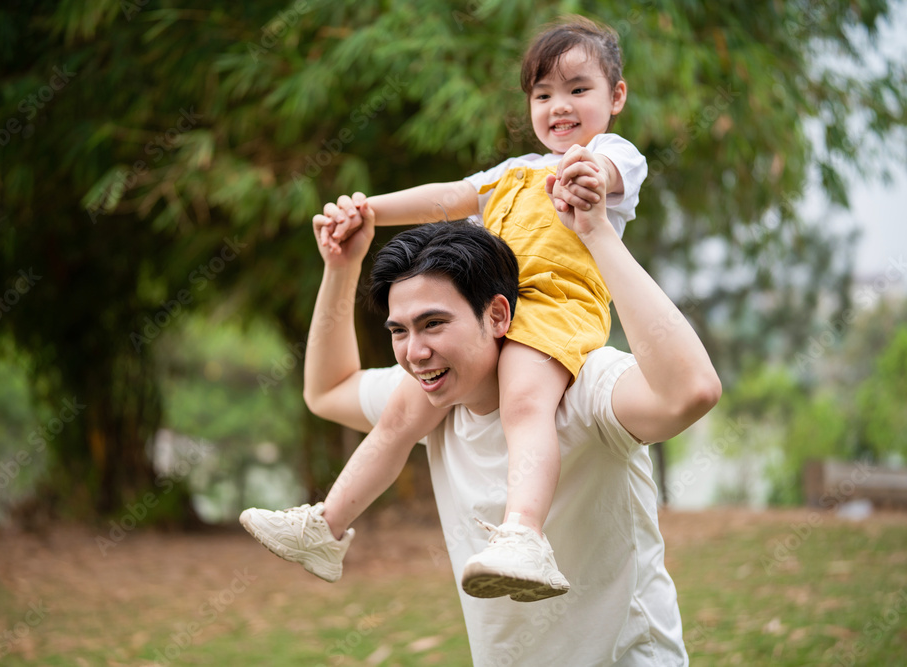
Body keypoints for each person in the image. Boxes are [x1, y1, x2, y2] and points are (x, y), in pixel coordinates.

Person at [242, 15, 648, 602]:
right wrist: (369, 211)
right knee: (401, 415)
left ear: (616, 97)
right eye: (543, 94)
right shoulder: (514, 173)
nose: (559, 106)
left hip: (556, 307)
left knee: (526, 401)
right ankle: (325, 526)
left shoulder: (612, 154)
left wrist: (590, 174)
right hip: (490, 306)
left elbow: (613, 174)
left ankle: (524, 534)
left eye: (578, 90)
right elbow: (445, 198)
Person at [245, 164, 719, 663]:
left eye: (433, 324)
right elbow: (327, 390)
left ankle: (523, 533)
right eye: (399, 330)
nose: (415, 352)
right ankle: (324, 526)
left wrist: (599, 233)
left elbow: (694, 391)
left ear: (497, 315)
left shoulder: (583, 385)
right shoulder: (433, 400)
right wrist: (342, 268)